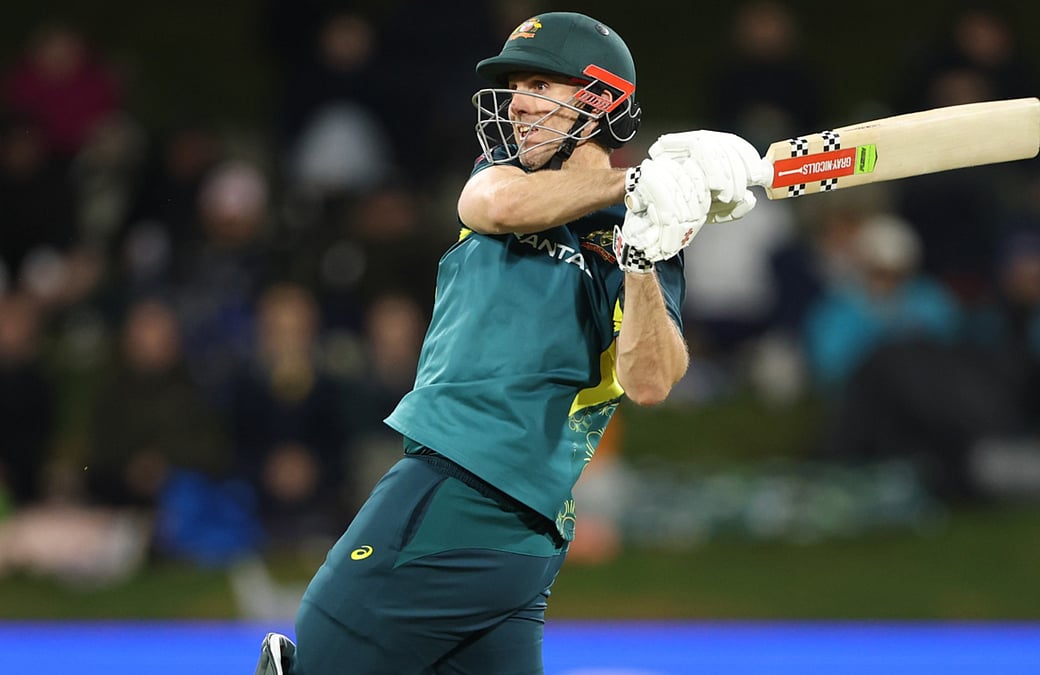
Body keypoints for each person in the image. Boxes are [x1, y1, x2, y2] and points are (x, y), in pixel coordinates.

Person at [254, 11, 765, 675]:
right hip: (512, 532)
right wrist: (636, 180)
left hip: (465, 494)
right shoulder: (505, 175)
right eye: (516, 86)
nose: (517, 103)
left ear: (598, 102)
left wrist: (641, 257)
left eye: (539, 86)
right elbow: (492, 205)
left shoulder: (642, 230)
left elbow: (650, 379)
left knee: (318, 651)